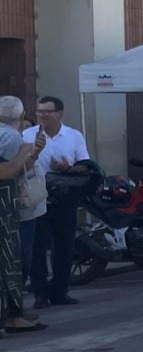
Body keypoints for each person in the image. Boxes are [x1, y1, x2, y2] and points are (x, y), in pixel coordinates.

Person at [26, 97, 90, 310]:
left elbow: (85, 164)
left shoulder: (73, 136)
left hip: (64, 198)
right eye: (40, 111)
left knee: (64, 247)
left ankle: (60, 291)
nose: (43, 115)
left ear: (59, 113)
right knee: (37, 248)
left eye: (48, 111)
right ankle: (40, 293)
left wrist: (68, 168)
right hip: (38, 197)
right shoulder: (28, 135)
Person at [0, 96, 44, 336]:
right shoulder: (11, 137)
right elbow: (8, 172)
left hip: (10, 208)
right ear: (21, 115)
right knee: (14, 261)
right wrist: (27, 151)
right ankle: (12, 315)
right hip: (8, 209)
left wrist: (34, 153)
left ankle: (13, 312)